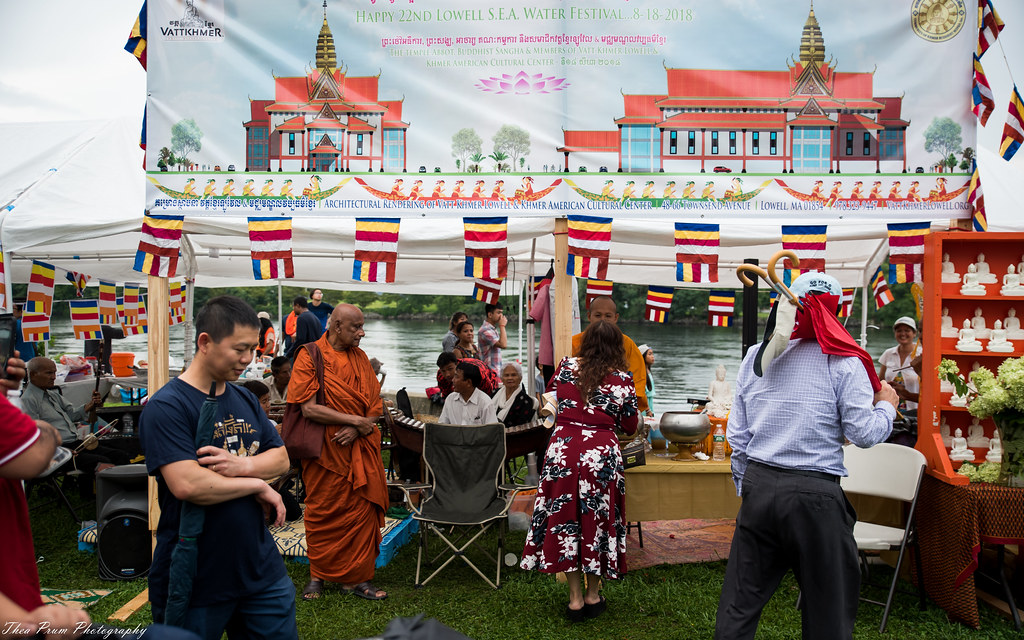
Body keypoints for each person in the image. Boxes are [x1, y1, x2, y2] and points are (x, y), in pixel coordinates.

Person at [715, 272, 898, 640]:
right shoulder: (845, 361)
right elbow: (863, 433)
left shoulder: (756, 356)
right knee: (827, 610)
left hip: (761, 486)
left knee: (740, 603)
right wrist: (887, 407)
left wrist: (748, 488)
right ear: (839, 311)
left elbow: (736, 435)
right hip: (815, 496)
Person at [139, 296, 296, 640]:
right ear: (205, 342)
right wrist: (257, 484)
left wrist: (240, 466)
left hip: (259, 568)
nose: (247, 359)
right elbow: (188, 485)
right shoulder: (167, 407)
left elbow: (281, 458)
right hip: (196, 573)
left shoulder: (244, 399)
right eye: (239, 349)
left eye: (253, 349)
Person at [520, 321, 639, 621]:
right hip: (600, 455)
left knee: (566, 520)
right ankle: (592, 595)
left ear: (585, 343)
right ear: (617, 347)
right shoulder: (623, 379)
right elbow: (629, 425)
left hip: (564, 449)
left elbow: (549, 400)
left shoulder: (566, 366)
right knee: (596, 521)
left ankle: (574, 599)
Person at [289, 304, 389, 602]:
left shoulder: (359, 358)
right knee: (322, 510)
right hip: (325, 451)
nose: (361, 332)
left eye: (362, 326)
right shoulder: (309, 355)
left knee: (361, 511)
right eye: (355, 327)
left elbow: (374, 406)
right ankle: (317, 576)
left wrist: (360, 428)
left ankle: (358, 579)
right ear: (335, 326)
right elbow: (308, 408)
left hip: (358, 446)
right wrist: (353, 421)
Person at [21, 357, 129, 492]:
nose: (54, 377)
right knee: (103, 462)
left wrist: (90, 405)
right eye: (49, 373)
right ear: (33, 375)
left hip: (75, 443)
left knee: (120, 455)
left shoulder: (52, 395)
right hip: (57, 451)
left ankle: (125, 494)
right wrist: (60, 451)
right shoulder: (28, 400)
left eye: (54, 373)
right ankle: (106, 497)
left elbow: (72, 414)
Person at [570, 296, 648, 412]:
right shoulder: (574, 343)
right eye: (598, 315)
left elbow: (637, 385)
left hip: (616, 411)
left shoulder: (627, 345)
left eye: (608, 316)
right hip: (579, 407)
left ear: (615, 318)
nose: (603, 320)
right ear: (589, 316)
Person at [877, 316, 922, 413]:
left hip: (915, 409)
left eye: (907, 330)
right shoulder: (888, 353)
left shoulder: (922, 355)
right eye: (899, 331)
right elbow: (880, 380)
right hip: (891, 409)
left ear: (914, 333)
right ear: (895, 334)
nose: (903, 334)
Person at [438, 361, 498, 426]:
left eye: (456, 377)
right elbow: (442, 425)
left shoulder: (485, 402)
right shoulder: (450, 399)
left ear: (469, 382)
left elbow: (491, 431)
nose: (453, 380)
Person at [435, 352, 501, 399]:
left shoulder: (475, 372)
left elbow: (488, 392)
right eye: (443, 371)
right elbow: (446, 396)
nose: (447, 374)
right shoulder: (441, 376)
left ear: (457, 364)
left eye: (450, 369)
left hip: (489, 380)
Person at [493, 362, 539, 427]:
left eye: (513, 375)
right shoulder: (494, 394)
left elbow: (522, 426)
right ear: (502, 379)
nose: (510, 378)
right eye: (506, 375)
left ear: (520, 378)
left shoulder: (526, 402)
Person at [637, 344, 663, 443]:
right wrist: (648, 410)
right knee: (644, 428)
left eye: (652, 354)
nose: (653, 357)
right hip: (645, 406)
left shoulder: (648, 371)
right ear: (642, 356)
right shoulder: (641, 372)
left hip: (649, 404)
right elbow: (642, 393)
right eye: (649, 354)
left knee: (647, 429)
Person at [477, 302, 508, 376]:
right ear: (490, 314)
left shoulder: (492, 329)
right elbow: (503, 345)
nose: (501, 316)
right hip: (490, 372)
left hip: (495, 371)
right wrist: (502, 326)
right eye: (498, 313)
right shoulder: (485, 330)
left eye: (501, 313)